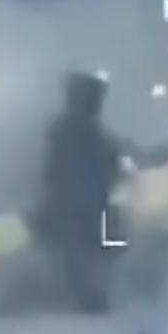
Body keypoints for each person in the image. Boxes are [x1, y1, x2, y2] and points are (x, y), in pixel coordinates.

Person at [33, 72, 126, 313]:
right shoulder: (71, 132)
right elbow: (55, 171)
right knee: (91, 251)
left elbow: (113, 165)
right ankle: (92, 298)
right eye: (93, 99)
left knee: (105, 247)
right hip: (77, 208)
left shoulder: (80, 132)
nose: (96, 105)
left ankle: (97, 295)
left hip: (89, 206)